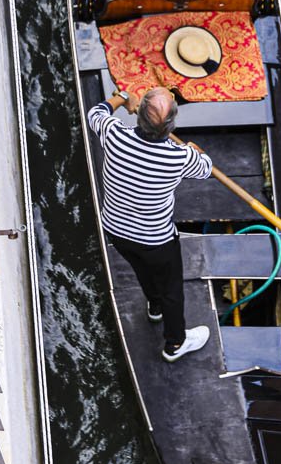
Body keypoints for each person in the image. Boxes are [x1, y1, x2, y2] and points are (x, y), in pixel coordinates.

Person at [86, 86, 212, 361]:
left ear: (138, 115)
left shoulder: (114, 135)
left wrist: (121, 98)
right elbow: (205, 167)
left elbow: (96, 112)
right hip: (156, 240)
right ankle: (175, 343)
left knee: (142, 269)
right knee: (172, 291)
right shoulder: (179, 158)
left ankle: (154, 306)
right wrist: (193, 148)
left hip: (116, 230)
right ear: (170, 126)